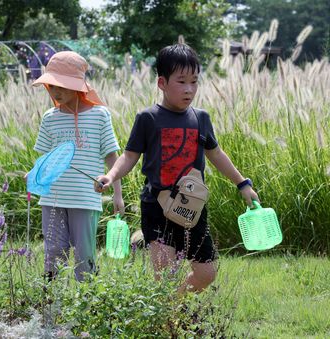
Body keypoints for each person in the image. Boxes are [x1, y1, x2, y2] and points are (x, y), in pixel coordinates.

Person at [95, 43, 259, 293]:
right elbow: (129, 156)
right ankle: (169, 323)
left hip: (192, 205)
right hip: (157, 206)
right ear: (162, 83)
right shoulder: (147, 118)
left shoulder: (201, 118)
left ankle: (173, 306)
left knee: (207, 273)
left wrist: (242, 183)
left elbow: (216, 153)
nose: (189, 89)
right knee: (165, 273)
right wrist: (110, 175)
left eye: (194, 81)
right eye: (181, 82)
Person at [30, 51, 124, 281]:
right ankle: (52, 302)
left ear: (80, 86)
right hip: (52, 198)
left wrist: (117, 195)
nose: (56, 91)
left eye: (62, 86)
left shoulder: (100, 115)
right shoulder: (50, 118)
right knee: (53, 253)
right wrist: (33, 174)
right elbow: (44, 159)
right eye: (51, 86)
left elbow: (112, 157)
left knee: (85, 255)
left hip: (85, 198)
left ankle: (86, 303)